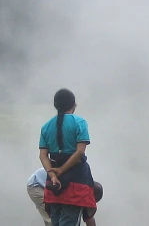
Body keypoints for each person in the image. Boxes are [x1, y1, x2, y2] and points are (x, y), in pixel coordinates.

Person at [39, 88, 97, 226]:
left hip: (53, 185)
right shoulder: (79, 122)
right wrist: (62, 170)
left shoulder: (46, 126)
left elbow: (43, 155)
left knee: (56, 222)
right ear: (74, 104)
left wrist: (53, 174)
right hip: (75, 184)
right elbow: (79, 152)